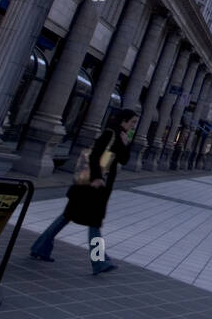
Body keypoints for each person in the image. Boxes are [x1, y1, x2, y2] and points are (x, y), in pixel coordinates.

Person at [30, 109, 137, 275]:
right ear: (123, 121)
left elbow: (123, 160)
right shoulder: (109, 133)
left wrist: (125, 144)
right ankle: (99, 261)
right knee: (93, 222)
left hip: (90, 186)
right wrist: (96, 177)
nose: (132, 126)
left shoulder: (121, 136)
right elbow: (94, 156)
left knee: (67, 216)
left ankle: (40, 247)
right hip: (93, 187)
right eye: (131, 122)